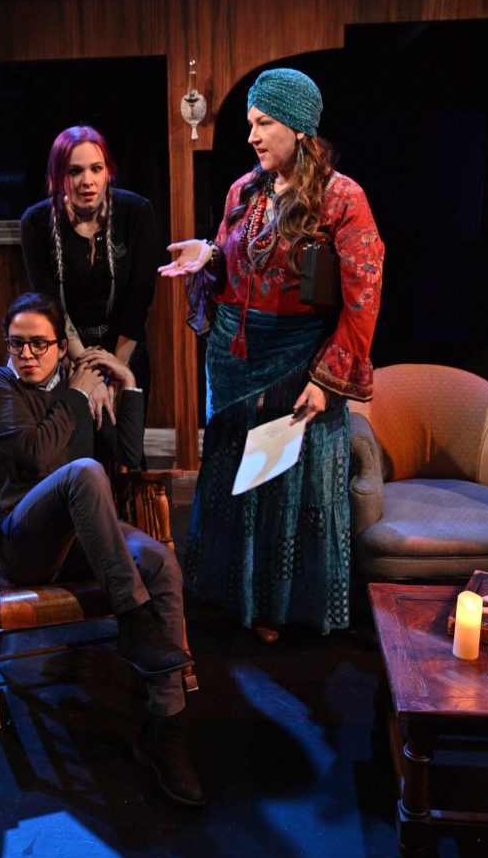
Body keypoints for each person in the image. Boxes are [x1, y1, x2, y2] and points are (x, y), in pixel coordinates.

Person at [159, 68, 384, 643]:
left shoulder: (342, 198)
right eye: (250, 124)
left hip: (297, 361)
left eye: (265, 123)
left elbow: (363, 296)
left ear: (301, 128)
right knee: (235, 476)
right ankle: (231, 592)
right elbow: (240, 264)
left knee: (284, 481)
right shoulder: (244, 191)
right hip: (235, 357)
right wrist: (208, 255)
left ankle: (280, 607)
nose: (253, 136)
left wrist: (328, 381)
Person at [0, 291, 204, 807]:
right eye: (17, 344)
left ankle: (166, 734)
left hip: (84, 541)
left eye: (38, 344)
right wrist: (78, 396)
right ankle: (136, 621)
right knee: (82, 471)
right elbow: (38, 457)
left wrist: (129, 386)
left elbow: (126, 460)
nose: (26, 355)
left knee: (161, 561)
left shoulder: (86, 391)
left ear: (60, 347)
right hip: (20, 543)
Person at [20, 125, 159, 424]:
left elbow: (140, 295)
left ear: (108, 171)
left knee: (125, 443)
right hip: (65, 350)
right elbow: (49, 305)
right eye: (74, 171)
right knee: (75, 440)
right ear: (58, 177)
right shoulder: (35, 222)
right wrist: (88, 375)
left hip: (125, 345)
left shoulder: (136, 212)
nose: (87, 181)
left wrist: (117, 371)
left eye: (96, 169)